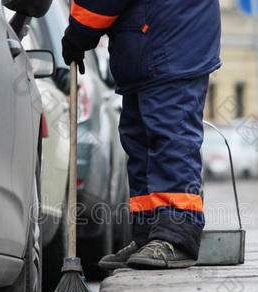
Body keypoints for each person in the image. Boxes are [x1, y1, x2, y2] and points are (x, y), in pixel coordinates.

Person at [62, 0, 221, 270]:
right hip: (150, 45)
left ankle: (177, 235)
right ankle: (149, 233)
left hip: (171, 45)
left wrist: (79, 30)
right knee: (140, 143)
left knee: (170, 139)